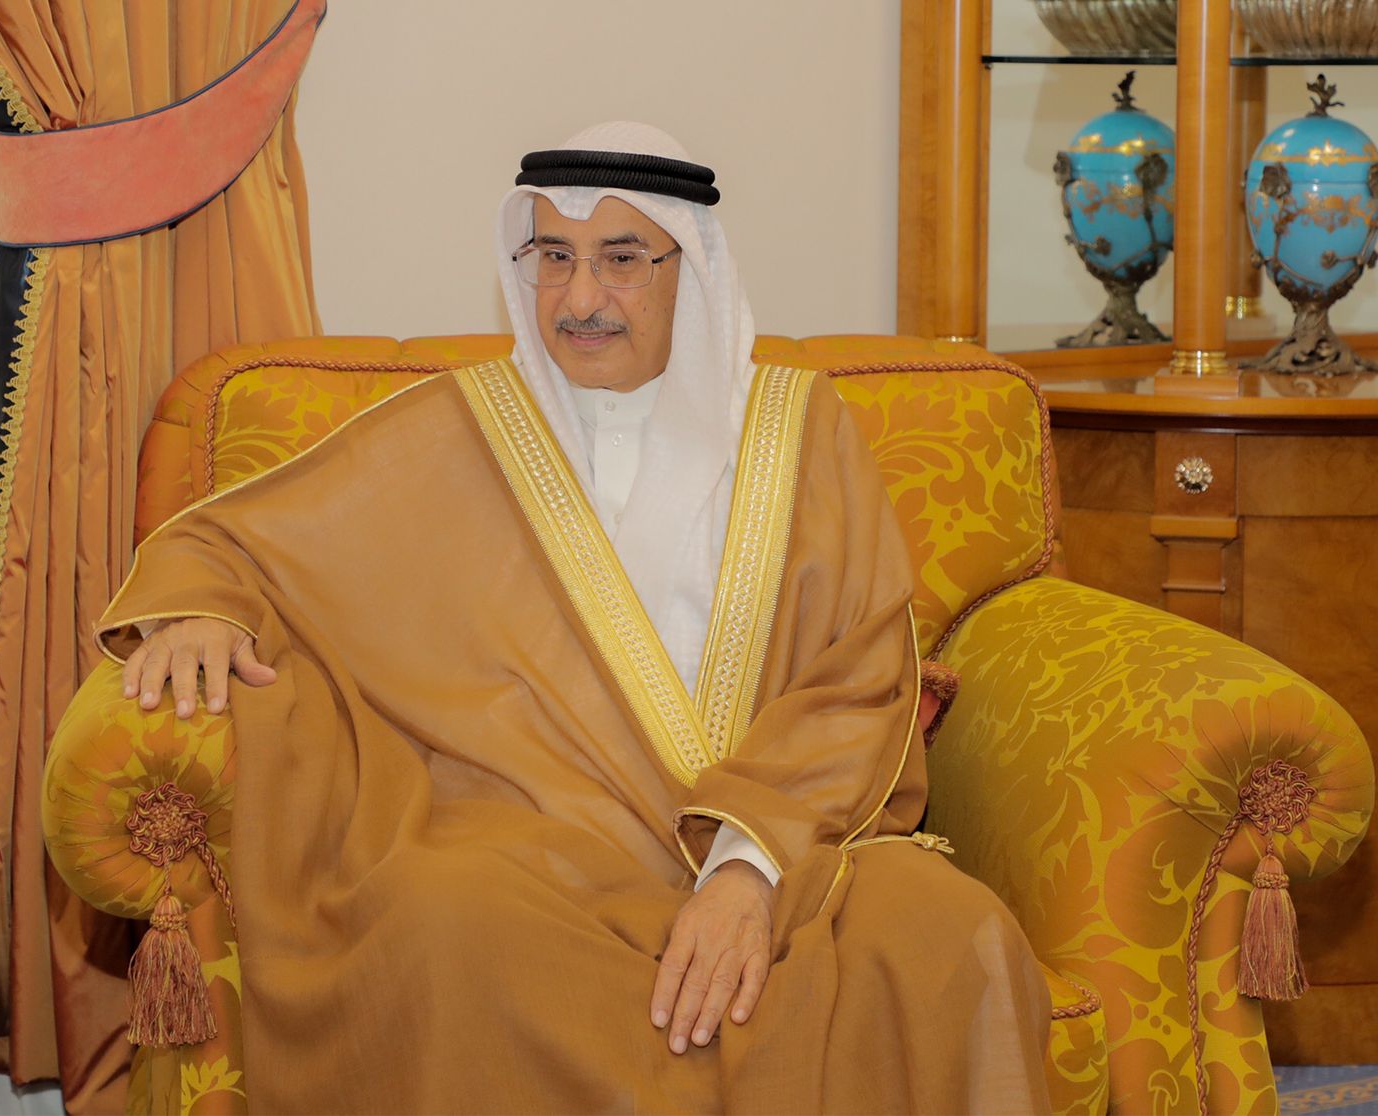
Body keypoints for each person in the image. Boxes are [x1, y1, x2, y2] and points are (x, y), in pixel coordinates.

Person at [102, 121, 1052, 1113]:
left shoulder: (801, 432)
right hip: (528, 854)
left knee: (952, 935)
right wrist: (204, 613)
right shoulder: (461, 431)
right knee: (439, 924)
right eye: (553, 257)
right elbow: (233, 543)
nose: (581, 298)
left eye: (621, 259)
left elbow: (858, 681)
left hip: (782, 844)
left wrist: (745, 872)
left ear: (691, 269)